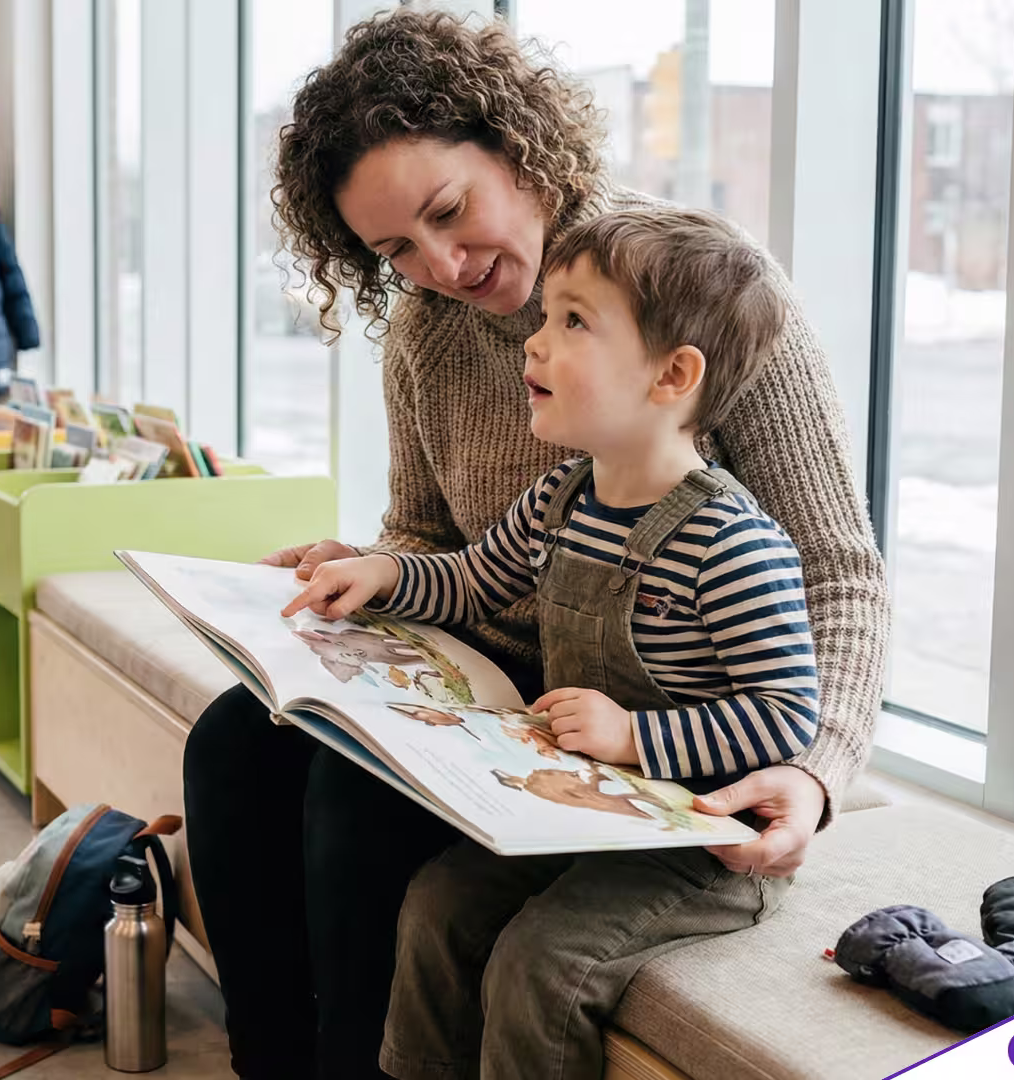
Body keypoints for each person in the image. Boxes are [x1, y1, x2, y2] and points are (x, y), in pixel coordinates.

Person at [180, 10, 888, 1079]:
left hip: (657, 705)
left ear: (519, 147)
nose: (442, 265)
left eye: (448, 212)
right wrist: (369, 574)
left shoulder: (691, 291)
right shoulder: (425, 331)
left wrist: (817, 770)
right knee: (234, 744)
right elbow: (432, 534)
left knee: (353, 801)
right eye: (395, 251)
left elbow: (840, 573)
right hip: (502, 675)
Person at [283, 207, 815, 1076]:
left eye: (573, 323)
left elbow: (785, 715)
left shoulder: (733, 544)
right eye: (546, 317)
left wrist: (636, 735)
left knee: (542, 964)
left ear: (672, 374)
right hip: (584, 807)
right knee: (436, 907)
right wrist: (381, 574)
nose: (534, 341)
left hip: (698, 847)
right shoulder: (562, 497)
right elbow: (472, 580)